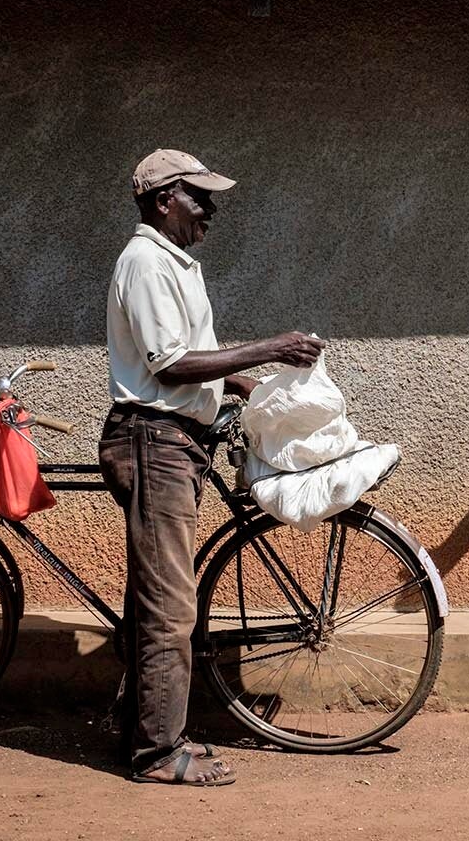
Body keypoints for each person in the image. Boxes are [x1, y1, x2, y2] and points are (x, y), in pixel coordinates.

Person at [101, 149, 324, 789]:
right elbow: (170, 365)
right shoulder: (145, 261)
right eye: (199, 197)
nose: (210, 208)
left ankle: (143, 728)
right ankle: (156, 753)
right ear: (165, 198)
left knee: (155, 602)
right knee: (171, 607)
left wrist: (249, 385)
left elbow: (191, 361)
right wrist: (272, 347)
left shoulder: (174, 263)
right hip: (155, 442)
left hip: (174, 440)